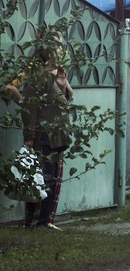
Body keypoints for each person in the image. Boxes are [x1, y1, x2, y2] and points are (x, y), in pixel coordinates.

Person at [5, 30, 73, 230]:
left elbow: (62, 101)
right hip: (43, 136)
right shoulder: (35, 72)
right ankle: (37, 223)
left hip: (57, 135)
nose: (60, 49)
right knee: (40, 180)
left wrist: (63, 86)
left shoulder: (57, 72)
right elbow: (17, 94)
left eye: (61, 45)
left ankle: (45, 221)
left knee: (50, 180)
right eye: (57, 45)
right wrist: (29, 135)